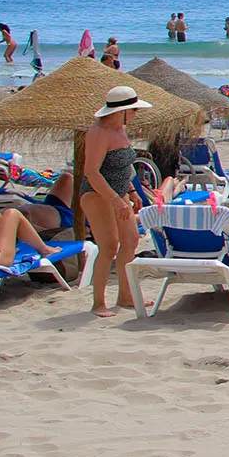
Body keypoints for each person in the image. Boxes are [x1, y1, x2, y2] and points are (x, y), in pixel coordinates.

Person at [79, 85, 150, 317]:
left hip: (118, 193)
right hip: (97, 194)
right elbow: (91, 171)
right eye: (135, 110)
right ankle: (98, 302)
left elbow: (123, 165)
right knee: (109, 247)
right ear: (123, 111)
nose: (137, 114)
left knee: (130, 241)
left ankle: (125, 296)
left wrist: (131, 191)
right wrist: (115, 199)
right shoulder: (98, 132)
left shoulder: (121, 129)